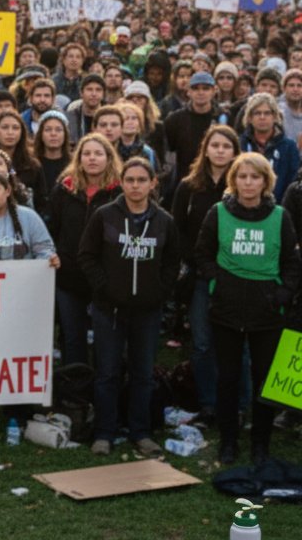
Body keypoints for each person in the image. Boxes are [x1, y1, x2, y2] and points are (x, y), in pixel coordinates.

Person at [195, 153, 301, 465]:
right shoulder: (218, 213)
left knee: (264, 380)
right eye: (242, 177)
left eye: (255, 177)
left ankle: (260, 443)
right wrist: (218, 283)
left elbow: (292, 263)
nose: (248, 183)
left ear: (266, 181)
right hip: (226, 311)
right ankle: (228, 441)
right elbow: (202, 254)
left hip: (266, 314)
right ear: (234, 180)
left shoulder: (280, 216)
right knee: (227, 379)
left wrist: (280, 296)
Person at [78, 157, 179, 457]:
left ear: (152, 183)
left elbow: (174, 261)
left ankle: (141, 432)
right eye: (130, 180)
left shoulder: (164, 221)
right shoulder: (104, 216)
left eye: (141, 180)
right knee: (107, 372)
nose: (135, 186)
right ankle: (105, 433)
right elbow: (86, 255)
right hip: (109, 310)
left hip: (147, 311)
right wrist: (105, 287)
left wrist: (160, 291)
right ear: (121, 182)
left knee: (142, 373)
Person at [171, 124, 240, 425]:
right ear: (205, 149)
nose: (221, 150)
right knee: (201, 343)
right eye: (216, 145)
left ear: (235, 151)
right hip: (199, 275)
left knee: (236, 342)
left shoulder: (243, 183)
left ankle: (238, 404)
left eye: (227, 146)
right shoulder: (188, 186)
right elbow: (176, 229)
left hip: (235, 276)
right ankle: (209, 403)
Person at [48, 133, 122, 366]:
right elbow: (53, 228)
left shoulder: (119, 193)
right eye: (87, 154)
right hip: (69, 276)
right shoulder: (64, 190)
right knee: (72, 337)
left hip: (105, 279)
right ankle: (74, 393)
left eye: (98, 154)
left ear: (109, 158)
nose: (92, 159)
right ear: (78, 159)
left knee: (106, 340)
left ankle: (103, 390)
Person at [238, 92, 299, 203]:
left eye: (267, 113)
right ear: (250, 117)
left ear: (275, 117)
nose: (262, 117)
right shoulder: (239, 144)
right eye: (257, 113)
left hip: (279, 208)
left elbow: (292, 182)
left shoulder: (289, 147)